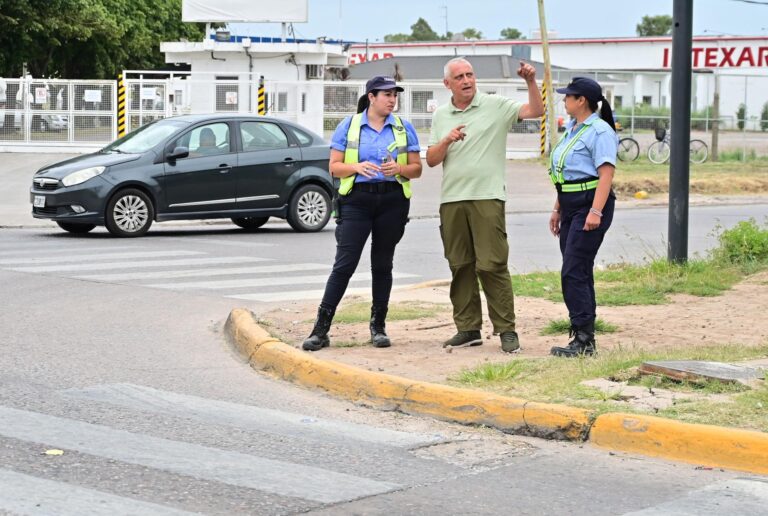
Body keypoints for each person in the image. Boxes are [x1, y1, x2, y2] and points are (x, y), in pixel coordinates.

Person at [426, 57, 544, 353]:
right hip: (452, 199)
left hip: (487, 197)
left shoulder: (495, 105)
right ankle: (468, 328)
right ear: (447, 84)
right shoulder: (441, 115)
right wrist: (447, 140)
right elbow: (431, 159)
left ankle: (506, 329)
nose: (467, 80)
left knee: (492, 264)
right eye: (460, 77)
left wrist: (531, 81)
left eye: (470, 75)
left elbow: (536, 111)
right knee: (460, 265)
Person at [302, 76, 422, 351]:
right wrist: (356, 167)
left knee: (383, 264)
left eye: (395, 95)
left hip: (392, 200)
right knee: (344, 264)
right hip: (357, 201)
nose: (392, 99)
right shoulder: (350, 125)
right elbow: (334, 167)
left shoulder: (404, 128)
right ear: (371, 97)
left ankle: (378, 327)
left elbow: (416, 168)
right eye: (386, 94)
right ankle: (320, 330)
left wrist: (399, 170)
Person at [548, 77, 618, 357]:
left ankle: (584, 339)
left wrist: (595, 212)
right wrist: (557, 209)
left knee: (573, 271)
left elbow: (606, 175)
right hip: (570, 204)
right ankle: (584, 336)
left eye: (569, 96)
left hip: (590, 204)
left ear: (582, 101)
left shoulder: (599, 131)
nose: (564, 100)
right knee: (578, 269)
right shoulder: (573, 129)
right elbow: (565, 176)